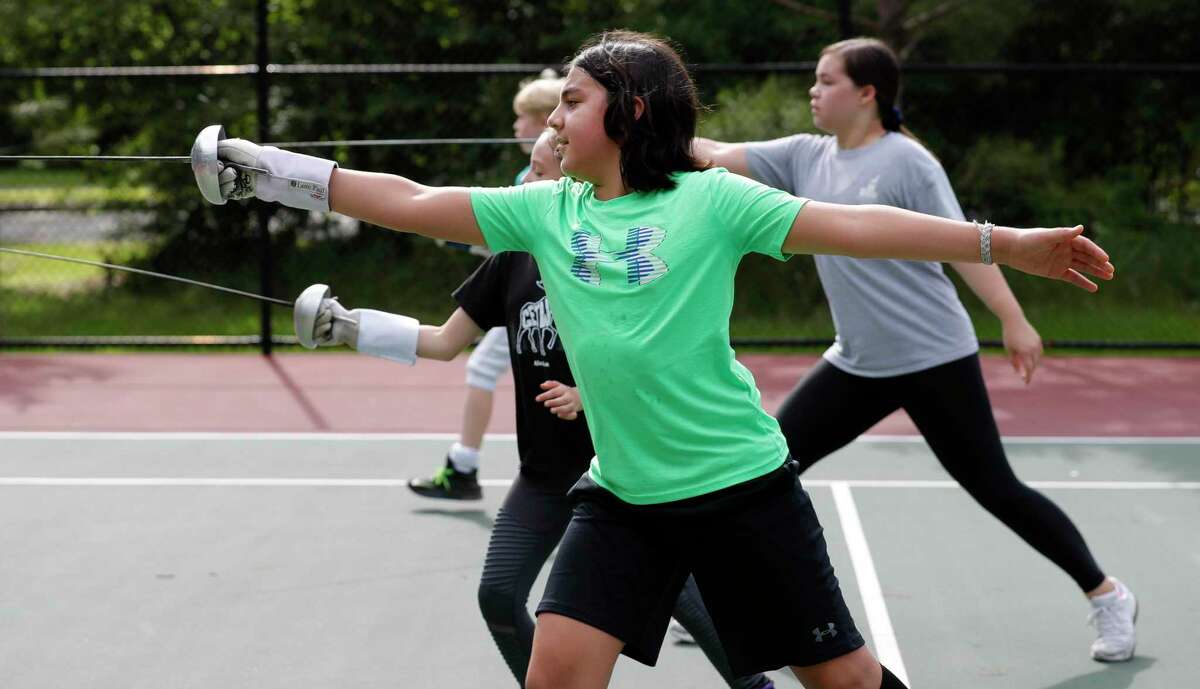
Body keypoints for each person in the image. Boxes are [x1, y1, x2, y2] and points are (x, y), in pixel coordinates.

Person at [210, 30, 1113, 689]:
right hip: (624, 497)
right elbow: (406, 199)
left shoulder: (714, 202)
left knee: (840, 680)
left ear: (629, 111)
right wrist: (265, 168)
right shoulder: (545, 212)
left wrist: (1007, 243)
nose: (555, 116)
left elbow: (866, 227)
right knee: (556, 673)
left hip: (740, 488)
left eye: (572, 98)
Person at [694, 36, 1136, 663]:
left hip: (934, 358)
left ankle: (1108, 594)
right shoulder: (801, 156)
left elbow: (971, 245)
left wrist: (1014, 319)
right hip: (857, 361)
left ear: (867, 93)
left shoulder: (909, 163)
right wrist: (648, 131)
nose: (813, 92)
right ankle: (728, 599)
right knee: (765, 468)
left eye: (826, 81)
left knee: (995, 488)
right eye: (814, 81)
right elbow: (712, 153)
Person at [298, 130, 775, 689]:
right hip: (545, 475)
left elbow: (657, 353)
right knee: (498, 595)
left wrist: (589, 395)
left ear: (571, 178)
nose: (525, 180)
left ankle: (755, 686)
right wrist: (351, 327)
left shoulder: (617, 255)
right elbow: (445, 341)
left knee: (691, 602)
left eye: (537, 168)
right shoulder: (512, 259)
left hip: (626, 474)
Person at [412, 69, 568, 501]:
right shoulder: (533, 176)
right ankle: (465, 464)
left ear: (543, 121)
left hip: (545, 301)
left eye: (523, 117)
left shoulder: (537, 182)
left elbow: (520, 248)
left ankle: (466, 467)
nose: (516, 126)